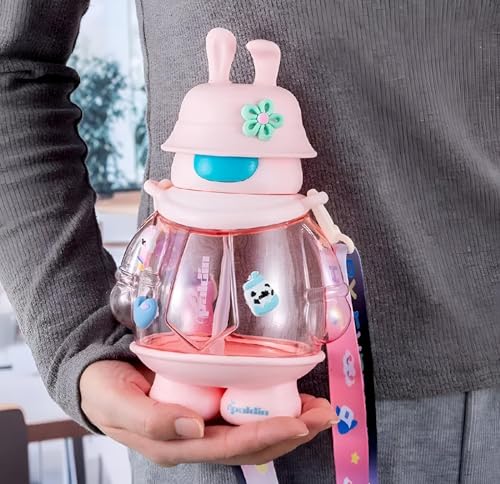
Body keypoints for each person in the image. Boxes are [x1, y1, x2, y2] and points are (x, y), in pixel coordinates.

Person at [0, 1, 498, 483]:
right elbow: (12, 64)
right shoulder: (178, 211)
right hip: (209, 427)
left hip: (447, 369)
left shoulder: (297, 223)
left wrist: (329, 304)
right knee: (186, 387)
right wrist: (81, 338)